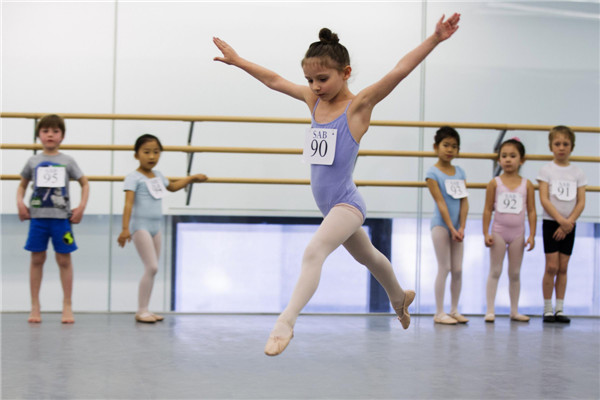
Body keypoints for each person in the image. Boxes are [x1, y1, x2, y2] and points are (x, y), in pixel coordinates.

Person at [213, 13, 460, 356]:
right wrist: (238, 61)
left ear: (345, 73)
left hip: (347, 202)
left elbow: (399, 71)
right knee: (369, 257)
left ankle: (285, 322)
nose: (315, 86)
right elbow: (273, 80)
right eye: (309, 79)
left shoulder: (358, 106)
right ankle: (399, 296)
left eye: (322, 79)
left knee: (314, 252)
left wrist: (434, 39)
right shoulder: (313, 102)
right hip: (329, 206)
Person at [117, 134, 207, 323]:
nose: (151, 156)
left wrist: (191, 178)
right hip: (140, 226)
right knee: (152, 266)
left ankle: (146, 309)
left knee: (152, 270)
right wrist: (125, 229)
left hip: (155, 227)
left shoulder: (158, 176)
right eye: (146, 152)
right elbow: (128, 204)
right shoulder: (133, 178)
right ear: (136, 155)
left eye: (156, 152)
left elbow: (173, 187)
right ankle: (141, 310)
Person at [16, 114, 89, 324]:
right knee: (36, 259)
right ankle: (35, 305)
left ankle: (67, 304)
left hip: (61, 220)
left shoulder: (67, 161)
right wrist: (20, 202)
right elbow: (22, 185)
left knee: (64, 259)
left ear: (62, 136)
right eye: (46, 131)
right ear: (39, 135)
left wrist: (81, 207)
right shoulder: (33, 161)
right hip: (38, 219)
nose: (50, 135)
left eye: (55, 131)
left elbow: (85, 183)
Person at [482, 138, 536, 323]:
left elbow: (531, 211)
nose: (508, 160)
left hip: (518, 234)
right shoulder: (494, 183)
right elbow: (488, 209)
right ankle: (490, 310)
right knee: (495, 271)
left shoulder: (527, 184)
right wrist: (486, 232)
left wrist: (532, 234)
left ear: (522, 160)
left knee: (514, 273)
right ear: (499, 160)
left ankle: (514, 310)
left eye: (513, 156)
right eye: (504, 156)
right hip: (498, 231)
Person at [537, 126, 586, 323]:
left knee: (563, 267)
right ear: (551, 147)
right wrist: (560, 220)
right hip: (552, 222)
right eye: (557, 144)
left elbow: (581, 201)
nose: (561, 148)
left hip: (570, 225)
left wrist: (569, 222)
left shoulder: (578, 172)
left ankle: (559, 308)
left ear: (572, 147)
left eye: (565, 144)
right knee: (551, 266)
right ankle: (547, 308)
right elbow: (544, 199)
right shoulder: (546, 170)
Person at [425, 126, 469, 325]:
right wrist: (451, 227)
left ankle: (454, 309)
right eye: (446, 145)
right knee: (445, 267)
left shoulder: (460, 172)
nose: (450, 149)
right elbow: (441, 202)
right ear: (436, 147)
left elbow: (464, 201)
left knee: (458, 269)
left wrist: (462, 227)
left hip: (457, 228)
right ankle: (439, 312)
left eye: (454, 146)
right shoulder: (432, 173)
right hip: (441, 226)